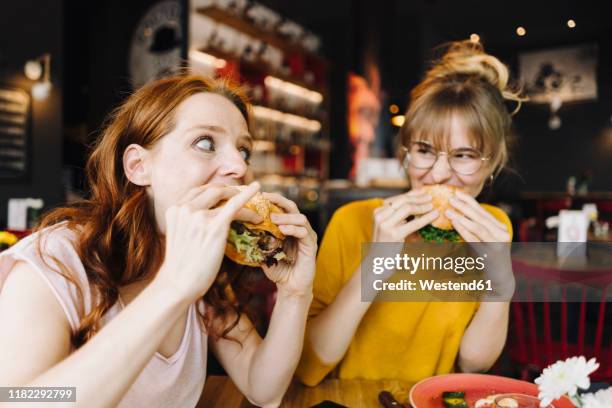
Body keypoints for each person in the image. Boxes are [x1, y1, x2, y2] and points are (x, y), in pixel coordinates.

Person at [0, 75, 317, 407]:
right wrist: (172, 288)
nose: (238, 166)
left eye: (243, 150)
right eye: (206, 143)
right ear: (139, 166)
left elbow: (263, 387)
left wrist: (295, 293)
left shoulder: (205, 272)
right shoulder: (53, 263)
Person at [296, 40, 523, 387]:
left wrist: (501, 284)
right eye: (425, 150)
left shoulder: (493, 229)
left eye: (463, 155)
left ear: (491, 163)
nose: (438, 173)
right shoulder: (352, 220)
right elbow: (309, 365)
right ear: (405, 153)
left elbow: (473, 364)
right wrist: (376, 264)